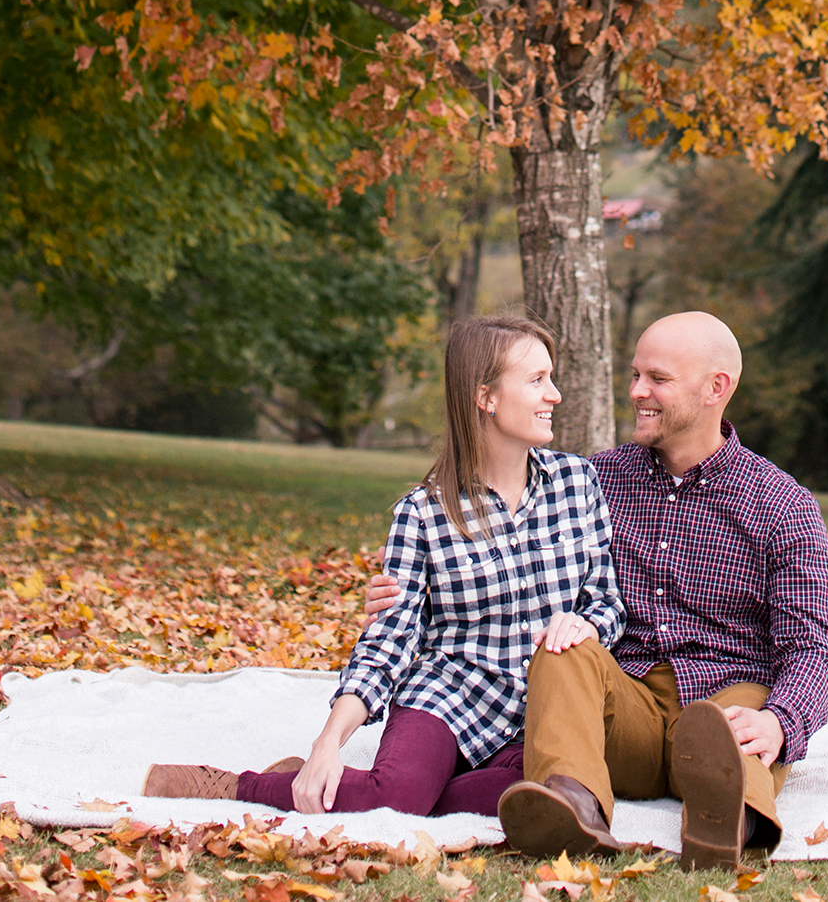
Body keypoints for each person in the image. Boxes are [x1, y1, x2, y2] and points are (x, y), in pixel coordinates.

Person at [365, 310, 828, 868]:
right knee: (563, 649)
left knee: (733, 731)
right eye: (635, 375)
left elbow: (814, 647)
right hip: (627, 701)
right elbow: (497, 520)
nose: (637, 392)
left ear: (717, 388)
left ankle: (728, 821)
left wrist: (782, 722)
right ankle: (573, 807)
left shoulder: (782, 505)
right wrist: (417, 576)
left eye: (657, 379)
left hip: (726, 696)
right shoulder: (593, 481)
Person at [141, 314, 625, 818]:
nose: (556, 395)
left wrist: (586, 623)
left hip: (536, 711)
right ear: (487, 397)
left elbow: (607, 603)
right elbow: (389, 640)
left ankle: (380, 788)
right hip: (450, 695)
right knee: (396, 794)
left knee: (544, 792)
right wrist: (327, 743)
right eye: (537, 380)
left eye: (551, 378)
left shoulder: (577, 482)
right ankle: (238, 787)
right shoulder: (424, 512)